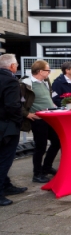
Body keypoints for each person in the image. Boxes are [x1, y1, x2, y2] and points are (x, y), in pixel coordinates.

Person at [20, 60, 59, 183]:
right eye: (48, 70)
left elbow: (48, 97)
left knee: (57, 141)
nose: (49, 72)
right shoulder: (25, 84)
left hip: (50, 118)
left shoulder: (46, 82)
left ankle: (46, 167)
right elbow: (17, 102)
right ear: (40, 71)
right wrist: (26, 114)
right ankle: (37, 174)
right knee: (40, 147)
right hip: (38, 120)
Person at [0, 54, 26, 206]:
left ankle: (6, 185)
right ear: (11, 66)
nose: (16, 67)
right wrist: (18, 121)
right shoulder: (10, 80)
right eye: (16, 65)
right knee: (5, 159)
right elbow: (13, 105)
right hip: (7, 127)